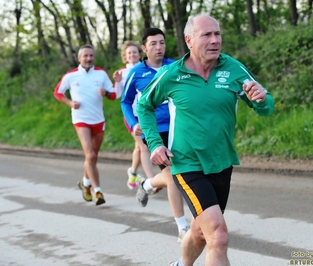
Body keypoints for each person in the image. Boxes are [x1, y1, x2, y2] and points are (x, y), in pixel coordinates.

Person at [136, 14, 275, 266]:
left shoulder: (233, 68)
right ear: (189, 40)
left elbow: (265, 107)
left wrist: (263, 99)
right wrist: (155, 143)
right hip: (186, 163)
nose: (214, 40)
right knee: (218, 236)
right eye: (206, 35)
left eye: (217, 34)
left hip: (221, 161)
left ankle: (182, 264)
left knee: (201, 232)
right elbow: (144, 106)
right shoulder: (172, 74)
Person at [121, 28, 190, 243]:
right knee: (172, 176)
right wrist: (134, 124)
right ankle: (183, 228)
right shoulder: (136, 73)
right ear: (144, 48)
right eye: (153, 44)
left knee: (181, 174)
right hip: (153, 130)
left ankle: (147, 185)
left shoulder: (175, 67)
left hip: (179, 127)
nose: (158, 47)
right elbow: (125, 101)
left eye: (161, 42)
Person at [54, 44, 116, 206]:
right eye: (85, 56)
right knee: (90, 155)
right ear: (79, 58)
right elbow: (58, 92)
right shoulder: (71, 76)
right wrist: (69, 103)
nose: (88, 59)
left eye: (91, 56)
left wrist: (106, 93)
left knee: (93, 156)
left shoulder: (101, 74)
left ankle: (85, 183)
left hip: (98, 120)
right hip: (81, 119)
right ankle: (98, 192)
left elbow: (113, 94)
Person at [112, 41, 154, 190]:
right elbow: (117, 95)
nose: (132, 55)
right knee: (144, 146)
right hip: (132, 116)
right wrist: (117, 83)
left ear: (140, 53)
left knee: (138, 147)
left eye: (135, 52)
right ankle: (151, 181)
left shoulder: (147, 69)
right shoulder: (122, 73)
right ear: (125, 56)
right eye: (129, 53)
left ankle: (133, 172)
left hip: (147, 114)